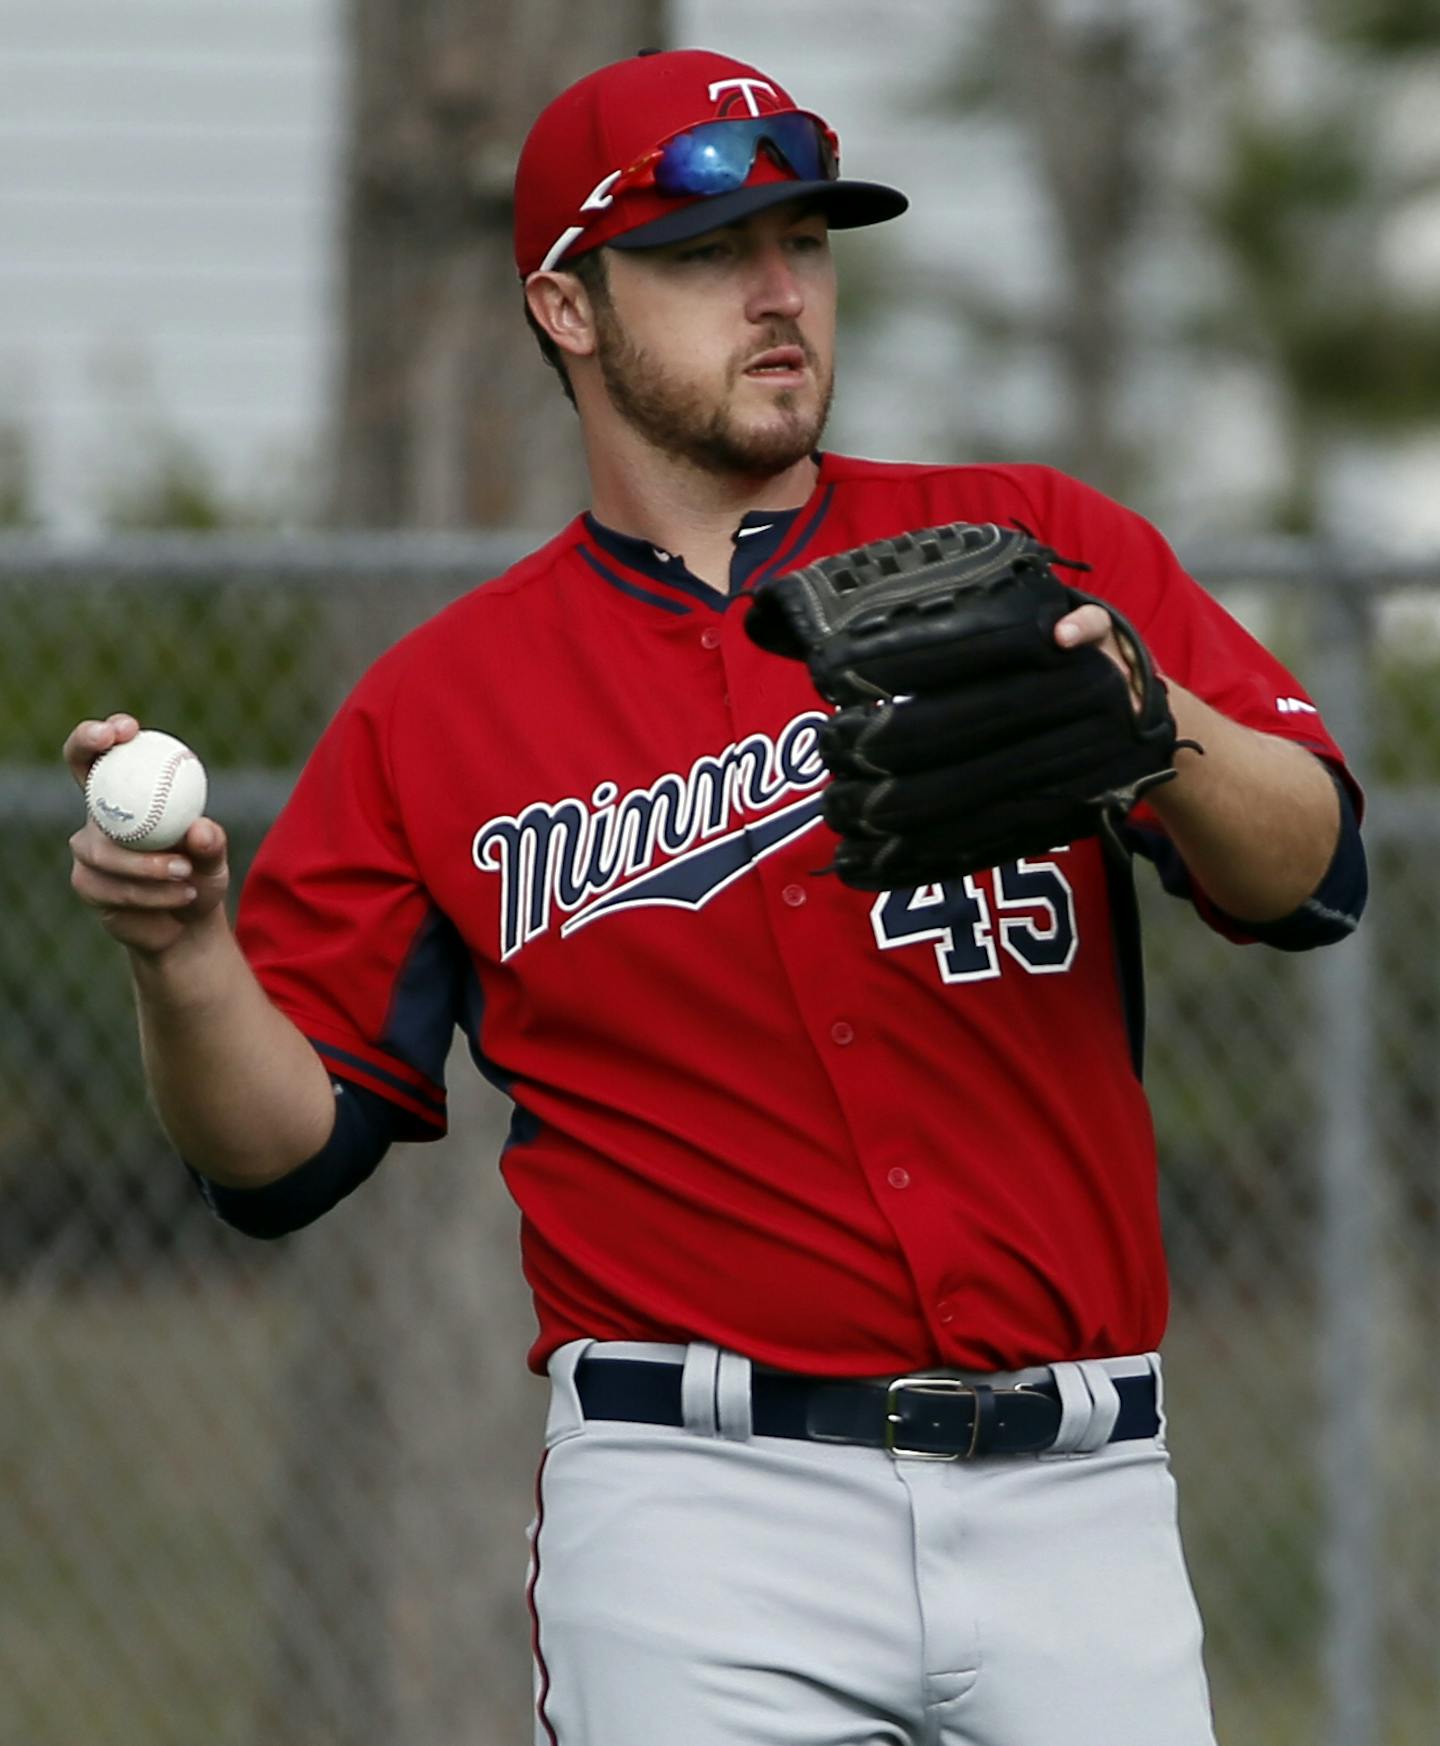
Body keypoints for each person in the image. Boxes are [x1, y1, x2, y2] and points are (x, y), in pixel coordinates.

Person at [66, 47, 1366, 1746]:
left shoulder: (1027, 543)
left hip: (1081, 1497)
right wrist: (178, 958)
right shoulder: (440, 706)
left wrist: (1151, 723)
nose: (779, 293)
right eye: (706, 253)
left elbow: (1316, 871)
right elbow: (281, 1155)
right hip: (701, 1516)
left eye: (805, 242)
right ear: (569, 306)